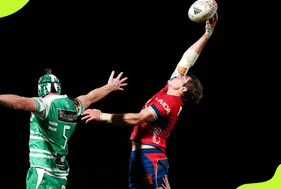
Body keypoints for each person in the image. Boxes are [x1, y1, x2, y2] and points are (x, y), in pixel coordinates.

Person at [81, 13, 218, 189]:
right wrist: (207, 34)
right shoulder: (169, 92)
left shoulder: (170, 103)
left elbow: (138, 118)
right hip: (142, 156)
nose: (178, 75)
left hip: (150, 156)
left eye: (182, 79)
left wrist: (102, 116)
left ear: (183, 89)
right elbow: (187, 59)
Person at [0, 69, 128, 189]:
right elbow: (90, 97)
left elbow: (21, 102)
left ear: (41, 88)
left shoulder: (45, 105)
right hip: (60, 176)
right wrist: (110, 87)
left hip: (42, 173)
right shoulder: (72, 106)